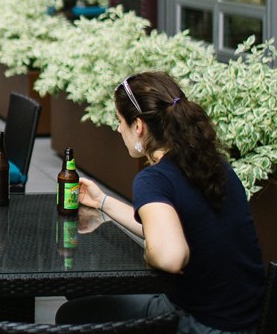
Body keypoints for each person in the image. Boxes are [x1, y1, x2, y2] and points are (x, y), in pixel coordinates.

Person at [55, 72, 264, 333]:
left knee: (71, 314)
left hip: (202, 323)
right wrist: (103, 202)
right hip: (245, 318)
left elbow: (171, 256)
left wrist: (151, 252)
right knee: (79, 292)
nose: (119, 129)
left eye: (120, 121)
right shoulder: (213, 164)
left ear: (138, 126)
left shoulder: (154, 179)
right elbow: (171, 228)